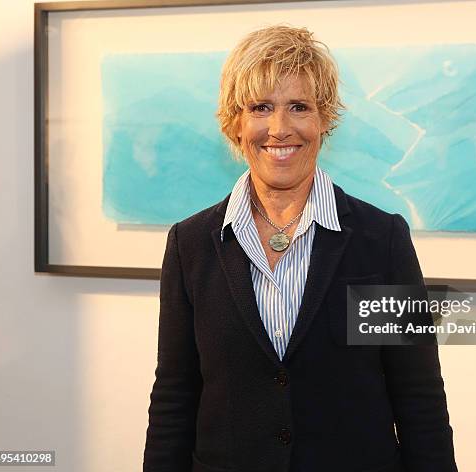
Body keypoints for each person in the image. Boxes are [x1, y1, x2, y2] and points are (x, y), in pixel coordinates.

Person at [143, 25, 457, 472]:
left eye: (298, 107)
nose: (279, 128)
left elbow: (418, 397)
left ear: (324, 118)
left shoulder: (381, 240)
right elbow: (174, 395)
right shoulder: (190, 245)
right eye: (261, 107)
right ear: (235, 122)